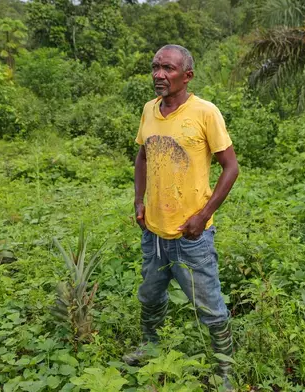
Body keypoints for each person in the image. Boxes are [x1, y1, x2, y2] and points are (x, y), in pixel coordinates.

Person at [124, 44, 239, 390]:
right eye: (156, 67)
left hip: (193, 236)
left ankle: (224, 369)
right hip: (154, 233)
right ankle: (150, 345)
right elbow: (143, 156)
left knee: (210, 306)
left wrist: (204, 215)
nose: (159, 75)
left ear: (186, 76)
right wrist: (138, 200)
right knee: (149, 295)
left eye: (169, 69)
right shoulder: (148, 110)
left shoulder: (205, 113)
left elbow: (230, 167)